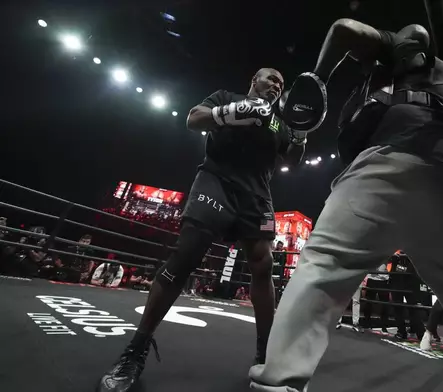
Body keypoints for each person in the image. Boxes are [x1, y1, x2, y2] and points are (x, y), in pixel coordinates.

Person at [249, 19, 443, 392]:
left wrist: (315, 81)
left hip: (386, 162)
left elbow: (344, 27)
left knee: (325, 266)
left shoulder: (399, 54)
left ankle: (280, 380)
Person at [97, 68, 305, 392]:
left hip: (258, 198)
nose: (277, 85)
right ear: (254, 79)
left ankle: (265, 356)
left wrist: (303, 131)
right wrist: (235, 112)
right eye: (271, 79)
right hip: (216, 183)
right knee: (186, 256)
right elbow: (194, 119)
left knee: (264, 265)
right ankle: (134, 351)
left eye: (281, 83)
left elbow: (293, 155)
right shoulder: (226, 97)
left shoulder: (280, 123)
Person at [362, 262, 390, 332]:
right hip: (372, 279)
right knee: (368, 302)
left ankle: (384, 325)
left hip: (383, 279)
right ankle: (367, 323)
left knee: (385, 304)